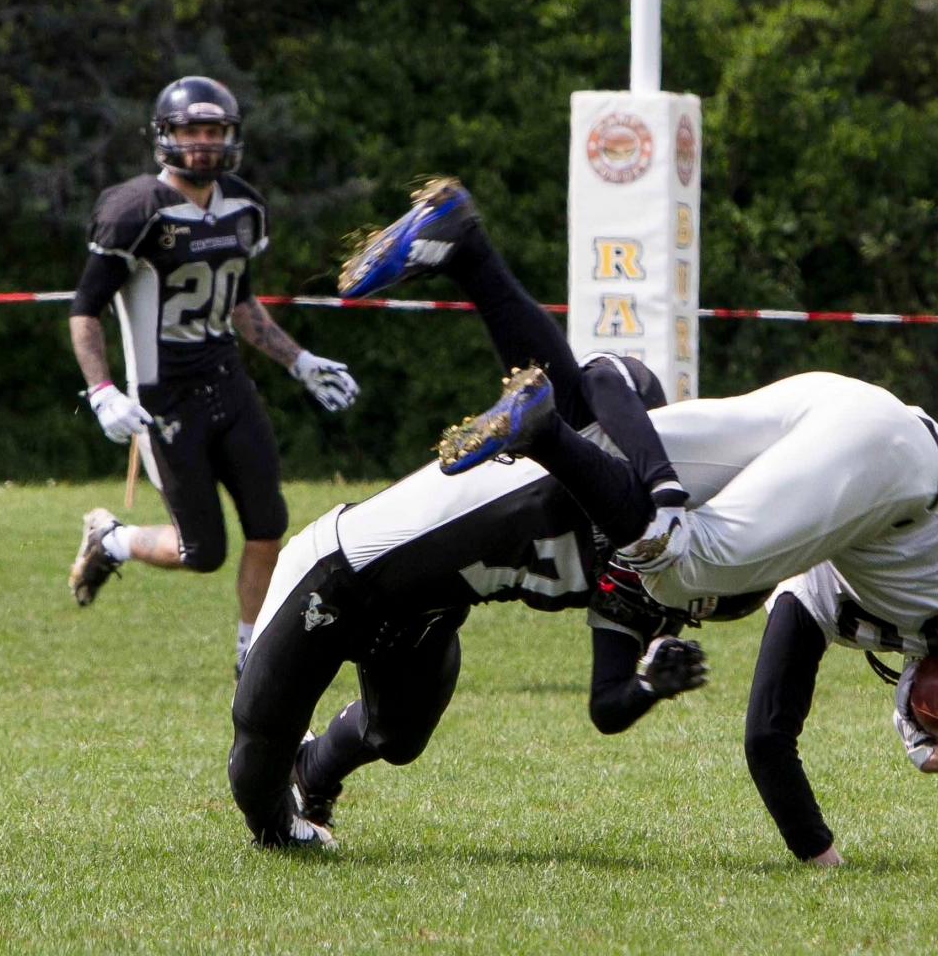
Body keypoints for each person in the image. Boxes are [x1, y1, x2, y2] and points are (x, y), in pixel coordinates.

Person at [229, 180, 729, 848]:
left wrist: (647, 686)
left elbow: (607, 706)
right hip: (340, 569)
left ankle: (314, 774)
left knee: (397, 735)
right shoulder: (636, 470)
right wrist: (664, 488)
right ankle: (466, 247)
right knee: (257, 783)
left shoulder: (646, 587)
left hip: (424, 615)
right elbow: (608, 379)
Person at [465, 369, 938, 867]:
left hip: (837, 401)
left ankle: (478, 270)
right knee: (689, 565)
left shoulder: (836, 599)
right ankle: (546, 432)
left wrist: (820, 854)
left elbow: (767, 738)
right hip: (898, 464)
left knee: (613, 441)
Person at [66, 76, 360, 675]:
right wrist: (102, 391)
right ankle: (111, 540)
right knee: (202, 551)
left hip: (227, 383)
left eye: (213, 132)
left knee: (268, 524)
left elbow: (242, 305)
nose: (203, 144)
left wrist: (297, 360)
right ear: (166, 137)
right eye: (190, 132)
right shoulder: (135, 210)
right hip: (164, 398)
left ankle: (252, 656)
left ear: (231, 138)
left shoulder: (244, 206)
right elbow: (84, 310)